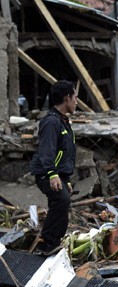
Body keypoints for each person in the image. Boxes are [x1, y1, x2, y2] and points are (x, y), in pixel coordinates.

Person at [29, 80, 78, 254]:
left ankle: (54, 243)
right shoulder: (51, 122)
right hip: (46, 172)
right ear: (67, 98)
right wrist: (52, 173)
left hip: (59, 174)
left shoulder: (63, 121)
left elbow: (65, 153)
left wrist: (67, 179)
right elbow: (46, 151)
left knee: (63, 202)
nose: (76, 102)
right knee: (61, 200)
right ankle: (46, 242)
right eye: (75, 98)